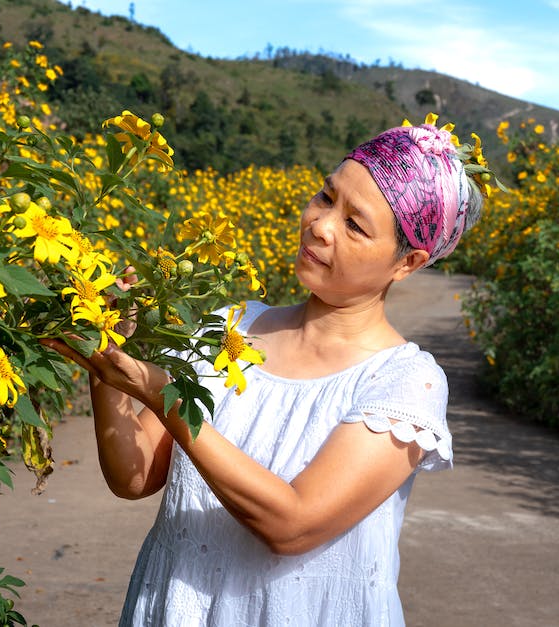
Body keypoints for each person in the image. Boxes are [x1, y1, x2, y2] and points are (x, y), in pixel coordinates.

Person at [42, 115, 495, 626]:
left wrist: (164, 395)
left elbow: (293, 526)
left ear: (407, 263)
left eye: (355, 225)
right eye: (326, 197)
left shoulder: (405, 383)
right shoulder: (229, 326)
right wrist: (107, 358)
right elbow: (133, 475)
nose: (320, 226)